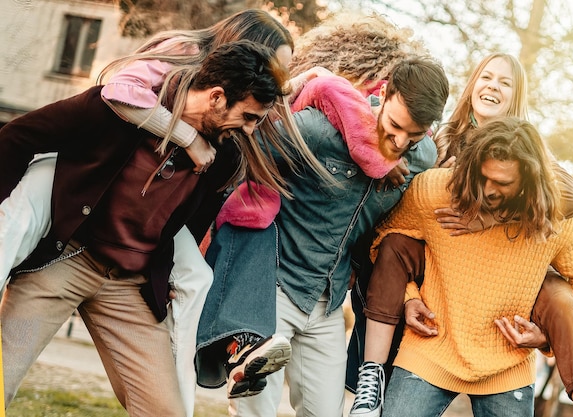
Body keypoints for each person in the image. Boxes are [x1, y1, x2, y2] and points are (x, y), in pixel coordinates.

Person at [0, 9, 334, 416]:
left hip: (128, 288)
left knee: (166, 412)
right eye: (246, 116)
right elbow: (17, 137)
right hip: (65, 261)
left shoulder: (224, 157)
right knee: (2, 380)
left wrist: (168, 273)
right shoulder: (120, 110)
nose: (250, 130)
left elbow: (190, 228)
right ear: (217, 96)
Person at [347, 53, 573, 417]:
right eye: (487, 77)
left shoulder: (535, 158)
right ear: (472, 85)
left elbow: (571, 200)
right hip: (437, 292)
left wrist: (493, 216)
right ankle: (369, 377)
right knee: (392, 246)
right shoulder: (437, 147)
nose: (493, 87)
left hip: (506, 315)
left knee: (559, 297)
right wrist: (410, 296)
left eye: (505, 83)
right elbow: (396, 223)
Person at [201, 52, 448, 416]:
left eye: (411, 137)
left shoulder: (422, 157)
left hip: (330, 300)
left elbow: (393, 221)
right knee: (256, 411)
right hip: (273, 285)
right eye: (394, 126)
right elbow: (246, 147)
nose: (398, 142)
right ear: (386, 91)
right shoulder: (321, 128)